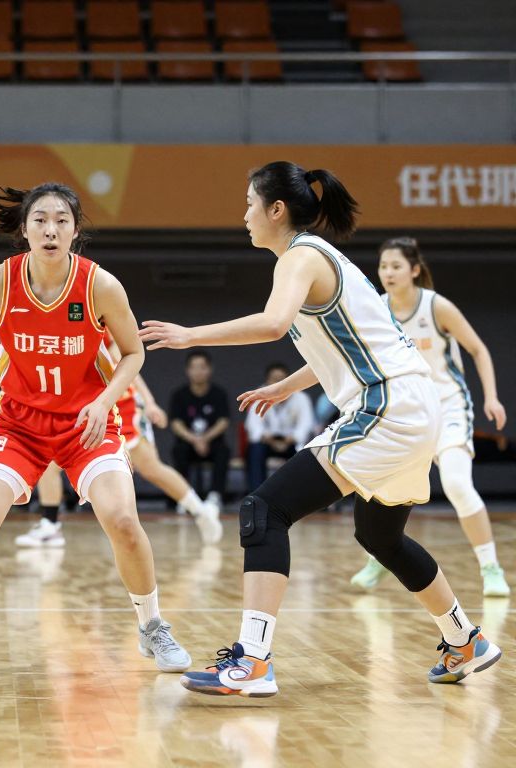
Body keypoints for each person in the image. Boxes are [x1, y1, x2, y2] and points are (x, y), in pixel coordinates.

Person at [141, 161, 500, 697]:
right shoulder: (322, 258)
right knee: (379, 534)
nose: (244, 215)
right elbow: (347, 344)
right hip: (414, 406)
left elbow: (272, 324)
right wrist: (287, 387)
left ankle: (254, 661)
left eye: (248, 204)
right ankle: (465, 640)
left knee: (264, 510)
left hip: (389, 407)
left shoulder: (301, 256)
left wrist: (191, 335)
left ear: (276, 209)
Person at [0, 182, 191, 676]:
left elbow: (134, 352)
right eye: (40, 220)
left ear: (76, 230)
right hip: (20, 423)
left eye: (61, 221)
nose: (50, 229)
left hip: (87, 423)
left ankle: (152, 626)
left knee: (121, 519)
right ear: (24, 229)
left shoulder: (100, 285)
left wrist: (103, 401)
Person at [350, 237, 509, 597]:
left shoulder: (437, 306)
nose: (388, 273)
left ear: (415, 270)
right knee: (385, 489)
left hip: (449, 405)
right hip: (406, 410)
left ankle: (491, 569)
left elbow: (478, 349)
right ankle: (379, 561)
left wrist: (492, 397)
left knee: (455, 484)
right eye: (383, 266)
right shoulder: (377, 307)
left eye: (396, 266)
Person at [16, 331, 222, 547]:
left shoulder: (98, 320)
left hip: (122, 406)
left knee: (151, 468)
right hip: (87, 406)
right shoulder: (53, 327)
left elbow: (128, 364)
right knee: (51, 463)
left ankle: (200, 511)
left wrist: (149, 402)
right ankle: (50, 525)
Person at [168, 350, 231, 506]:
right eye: (194, 367)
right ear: (187, 370)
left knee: (223, 451)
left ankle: (215, 495)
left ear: (210, 369)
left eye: (202, 367)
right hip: (188, 443)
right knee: (179, 451)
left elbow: (223, 421)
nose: (198, 371)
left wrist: (205, 438)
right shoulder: (179, 395)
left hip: (212, 443)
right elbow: (176, 423)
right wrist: (194, 439)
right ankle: (185, 497)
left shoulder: (219, 394)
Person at [244, 362, 315, 490]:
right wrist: (267, 438)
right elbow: (253, 426)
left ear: (289, 380)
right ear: (267, 381)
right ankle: (256, 493)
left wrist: (292, 438)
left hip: (291, 443)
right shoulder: (258, 395)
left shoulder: (301, 398)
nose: (277, 383)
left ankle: (298, 494)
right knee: (255, 450)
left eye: (281, 380)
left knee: (303, 454)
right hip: (267, 442)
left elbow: (306, 424)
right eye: (274, 380)